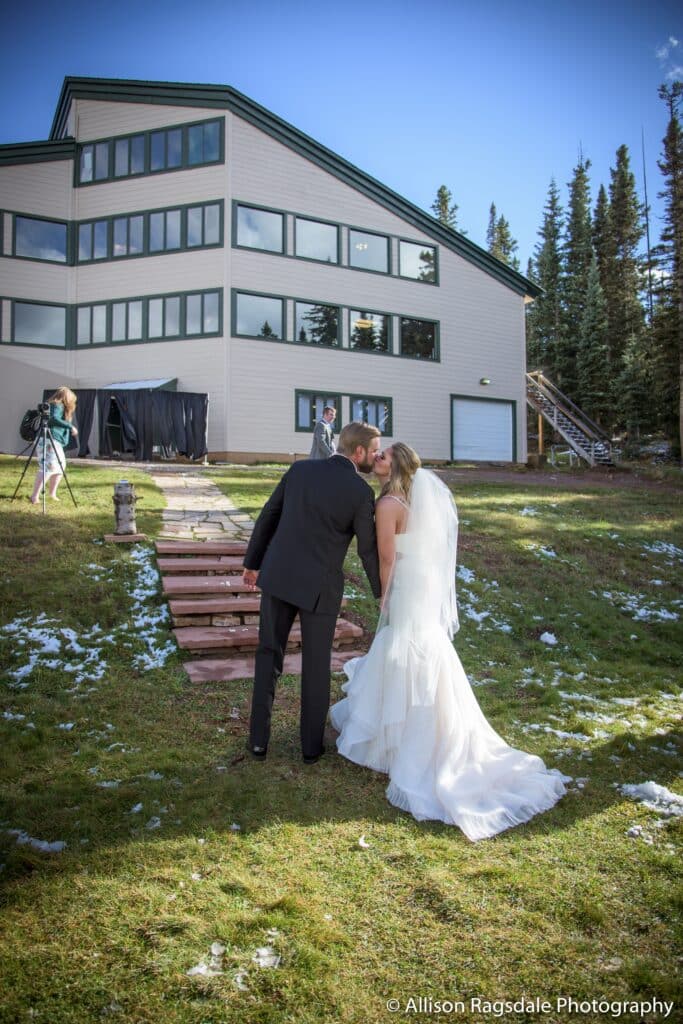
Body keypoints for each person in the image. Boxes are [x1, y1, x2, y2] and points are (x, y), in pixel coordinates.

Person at [329, 442, 567, 841]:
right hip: (421, 587)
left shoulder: (388, 506)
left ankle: (404, 737)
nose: (378, 458)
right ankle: (414, 724)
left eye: (384, 455)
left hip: (405, 587)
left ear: (397, 467)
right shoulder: (411, 503)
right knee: (417, 650)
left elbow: (387, 557)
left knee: (404, 650)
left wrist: (384, 596)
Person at [242, 422, 382, 763]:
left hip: (278, 574)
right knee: (317, 665)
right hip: (320, 588)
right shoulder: (361, 493)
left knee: (267, 655)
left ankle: (258, 741)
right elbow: (367, 551)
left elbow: (268, 516)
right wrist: (382, 592)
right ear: (359, 452)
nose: (377, 455)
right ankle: (310, 748)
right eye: (375, 449)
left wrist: (252, 562)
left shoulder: (300, 470)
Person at [30, 387, 78, 504]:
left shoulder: (56, 406)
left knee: (60, 467)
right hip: (48, 440)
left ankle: (52, 494)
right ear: (66, 398)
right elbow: (53, 419)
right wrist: (70, 426)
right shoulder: (57, 405)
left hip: (50, 440)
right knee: (48, 467)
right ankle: (35, 496)